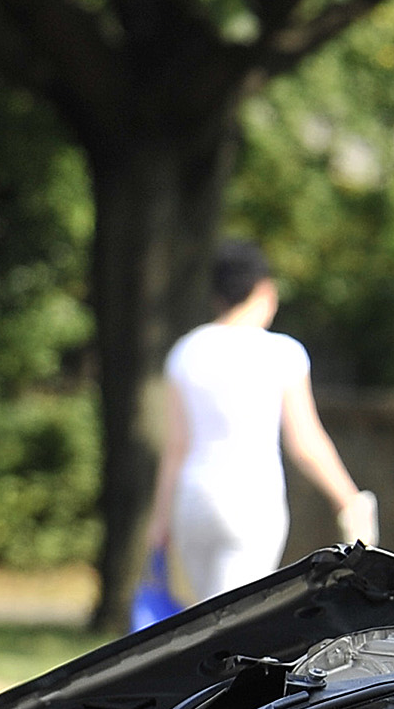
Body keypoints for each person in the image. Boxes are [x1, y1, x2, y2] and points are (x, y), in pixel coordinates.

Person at [147, 240, 377, 607]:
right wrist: (349, 499)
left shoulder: (186, 352)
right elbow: (305, 441)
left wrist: (159, 521)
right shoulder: (282, 352)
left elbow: (176, 447)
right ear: (264, 290)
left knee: (202, 615)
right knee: (234, 625)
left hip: (192, 503)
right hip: (250, 502)